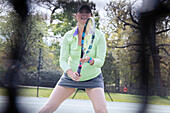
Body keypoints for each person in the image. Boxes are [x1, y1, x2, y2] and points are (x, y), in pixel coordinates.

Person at [38, 4, 108, 113]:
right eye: (81, 12)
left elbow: (100, 61)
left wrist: (90, 60)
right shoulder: (68, 36)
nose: (84, 14)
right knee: (48, 108)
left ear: (91, 16)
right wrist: (71, 73)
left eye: (87, 12)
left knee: (101, 111)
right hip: (69, 78)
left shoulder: (99, 36)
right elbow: (63, 60)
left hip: (93, 78)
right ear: (76, 16)